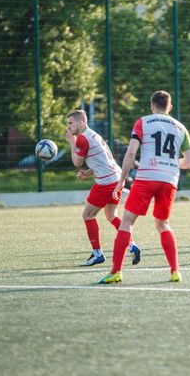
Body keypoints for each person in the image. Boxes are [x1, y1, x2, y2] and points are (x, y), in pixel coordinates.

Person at [97, 90, 190, 284]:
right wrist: (170, 163)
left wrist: (122, 180)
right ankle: (175, 271)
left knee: (127, 221)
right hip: (169, 179)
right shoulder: (181, 128)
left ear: (152, 106)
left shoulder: (143, 122)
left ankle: (116, 272)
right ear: (170, 107)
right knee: (163, 224)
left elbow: (131, 152)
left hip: (147, 177)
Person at [65, 110, 141, 266]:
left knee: (88, 215)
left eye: (71, 123)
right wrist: (88, 173)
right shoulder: (94, 134)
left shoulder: (82, 138)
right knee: (111, 215)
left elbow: (77, 162)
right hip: (116, 178)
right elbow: (104, 159)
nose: (68, 127)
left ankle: (97, 254)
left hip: (106, 183)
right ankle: (132, 246)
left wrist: (72, 142)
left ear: (81, 122)